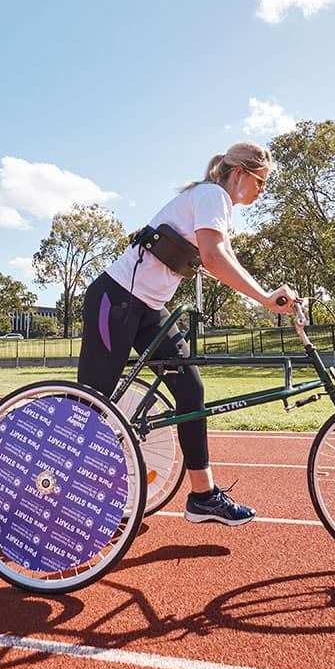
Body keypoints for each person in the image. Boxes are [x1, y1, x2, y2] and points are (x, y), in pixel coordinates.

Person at [77, 141, 298, 526]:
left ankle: (203, 496)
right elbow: (214, 257)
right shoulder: (213, 194)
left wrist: (264, 296)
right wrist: (265, 297)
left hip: (148, 309)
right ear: (240, 174)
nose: (262, 190)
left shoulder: (215, 205)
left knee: (190, 390)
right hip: (115, 300)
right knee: (91, 404)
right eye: (261, 181)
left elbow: (218, 262)